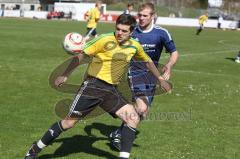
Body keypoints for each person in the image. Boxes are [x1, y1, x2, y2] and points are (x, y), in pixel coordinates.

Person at [24, 14, 171, 159]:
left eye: (124, 31)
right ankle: (34, 150)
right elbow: (81, 55)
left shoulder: (134, 46)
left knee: (133, 118)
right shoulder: (103, 39)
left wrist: (159, 78)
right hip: (93, 87)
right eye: (118, 29)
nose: (119, 33)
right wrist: (65, 74)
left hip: (111, 90)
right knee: (68, 123)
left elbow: (147, 61)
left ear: (131, 32)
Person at [109, 2, 179, 150]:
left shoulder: (161, 33)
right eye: (139, 15)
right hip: (134, 73)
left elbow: (174, 52)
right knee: (141, 108)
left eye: (145, 16)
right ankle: (119, 137)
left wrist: (169, 67)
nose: (141, 18)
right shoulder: (132, 32)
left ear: (152, 16)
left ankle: (117, 132)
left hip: (152, 74)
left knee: (143, 112)